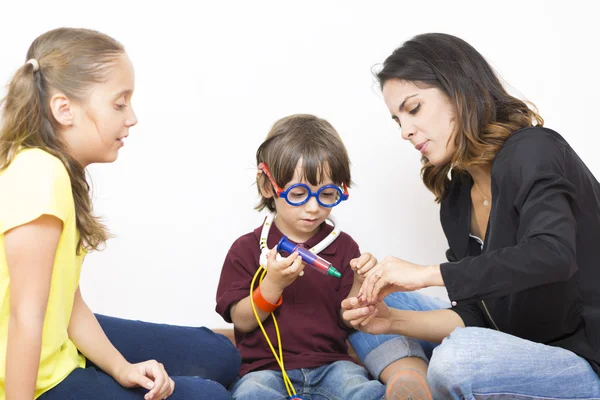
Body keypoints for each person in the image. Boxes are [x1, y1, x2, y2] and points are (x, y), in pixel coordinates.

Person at [341, 32, 600, 399]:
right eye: (397, 120)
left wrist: (427, 275)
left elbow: (553, 254)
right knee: (377, 301)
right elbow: (477, 314)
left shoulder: (533, 149)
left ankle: (424, 377)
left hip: (585, 359)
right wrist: (390, 322)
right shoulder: (457, 198)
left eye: (413, 109)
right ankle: (410, 380)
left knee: (457, 360)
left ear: (459, 89)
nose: (405, 131)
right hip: (513, 345)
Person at [0, 27, 240, 400]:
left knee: (219, 354)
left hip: (58, 341)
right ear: (64, 109)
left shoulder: (58, 169)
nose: (132, 117)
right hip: (35, 380)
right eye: (119, 103)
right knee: (212, 396)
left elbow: (67, 302)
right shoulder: (39, 177)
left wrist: (121, 368)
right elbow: (25, 319)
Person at [216, 114, 411, 399]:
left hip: (332, 366)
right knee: (249, 395)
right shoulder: (246, 249)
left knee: (365, 391)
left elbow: (347, 318)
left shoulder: (343, 247)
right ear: (268, 186)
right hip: (265, 370)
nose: (313, 208)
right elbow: (243, 321)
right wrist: (272, 285)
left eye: (327, 194)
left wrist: (359, 282)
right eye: (298, 193)